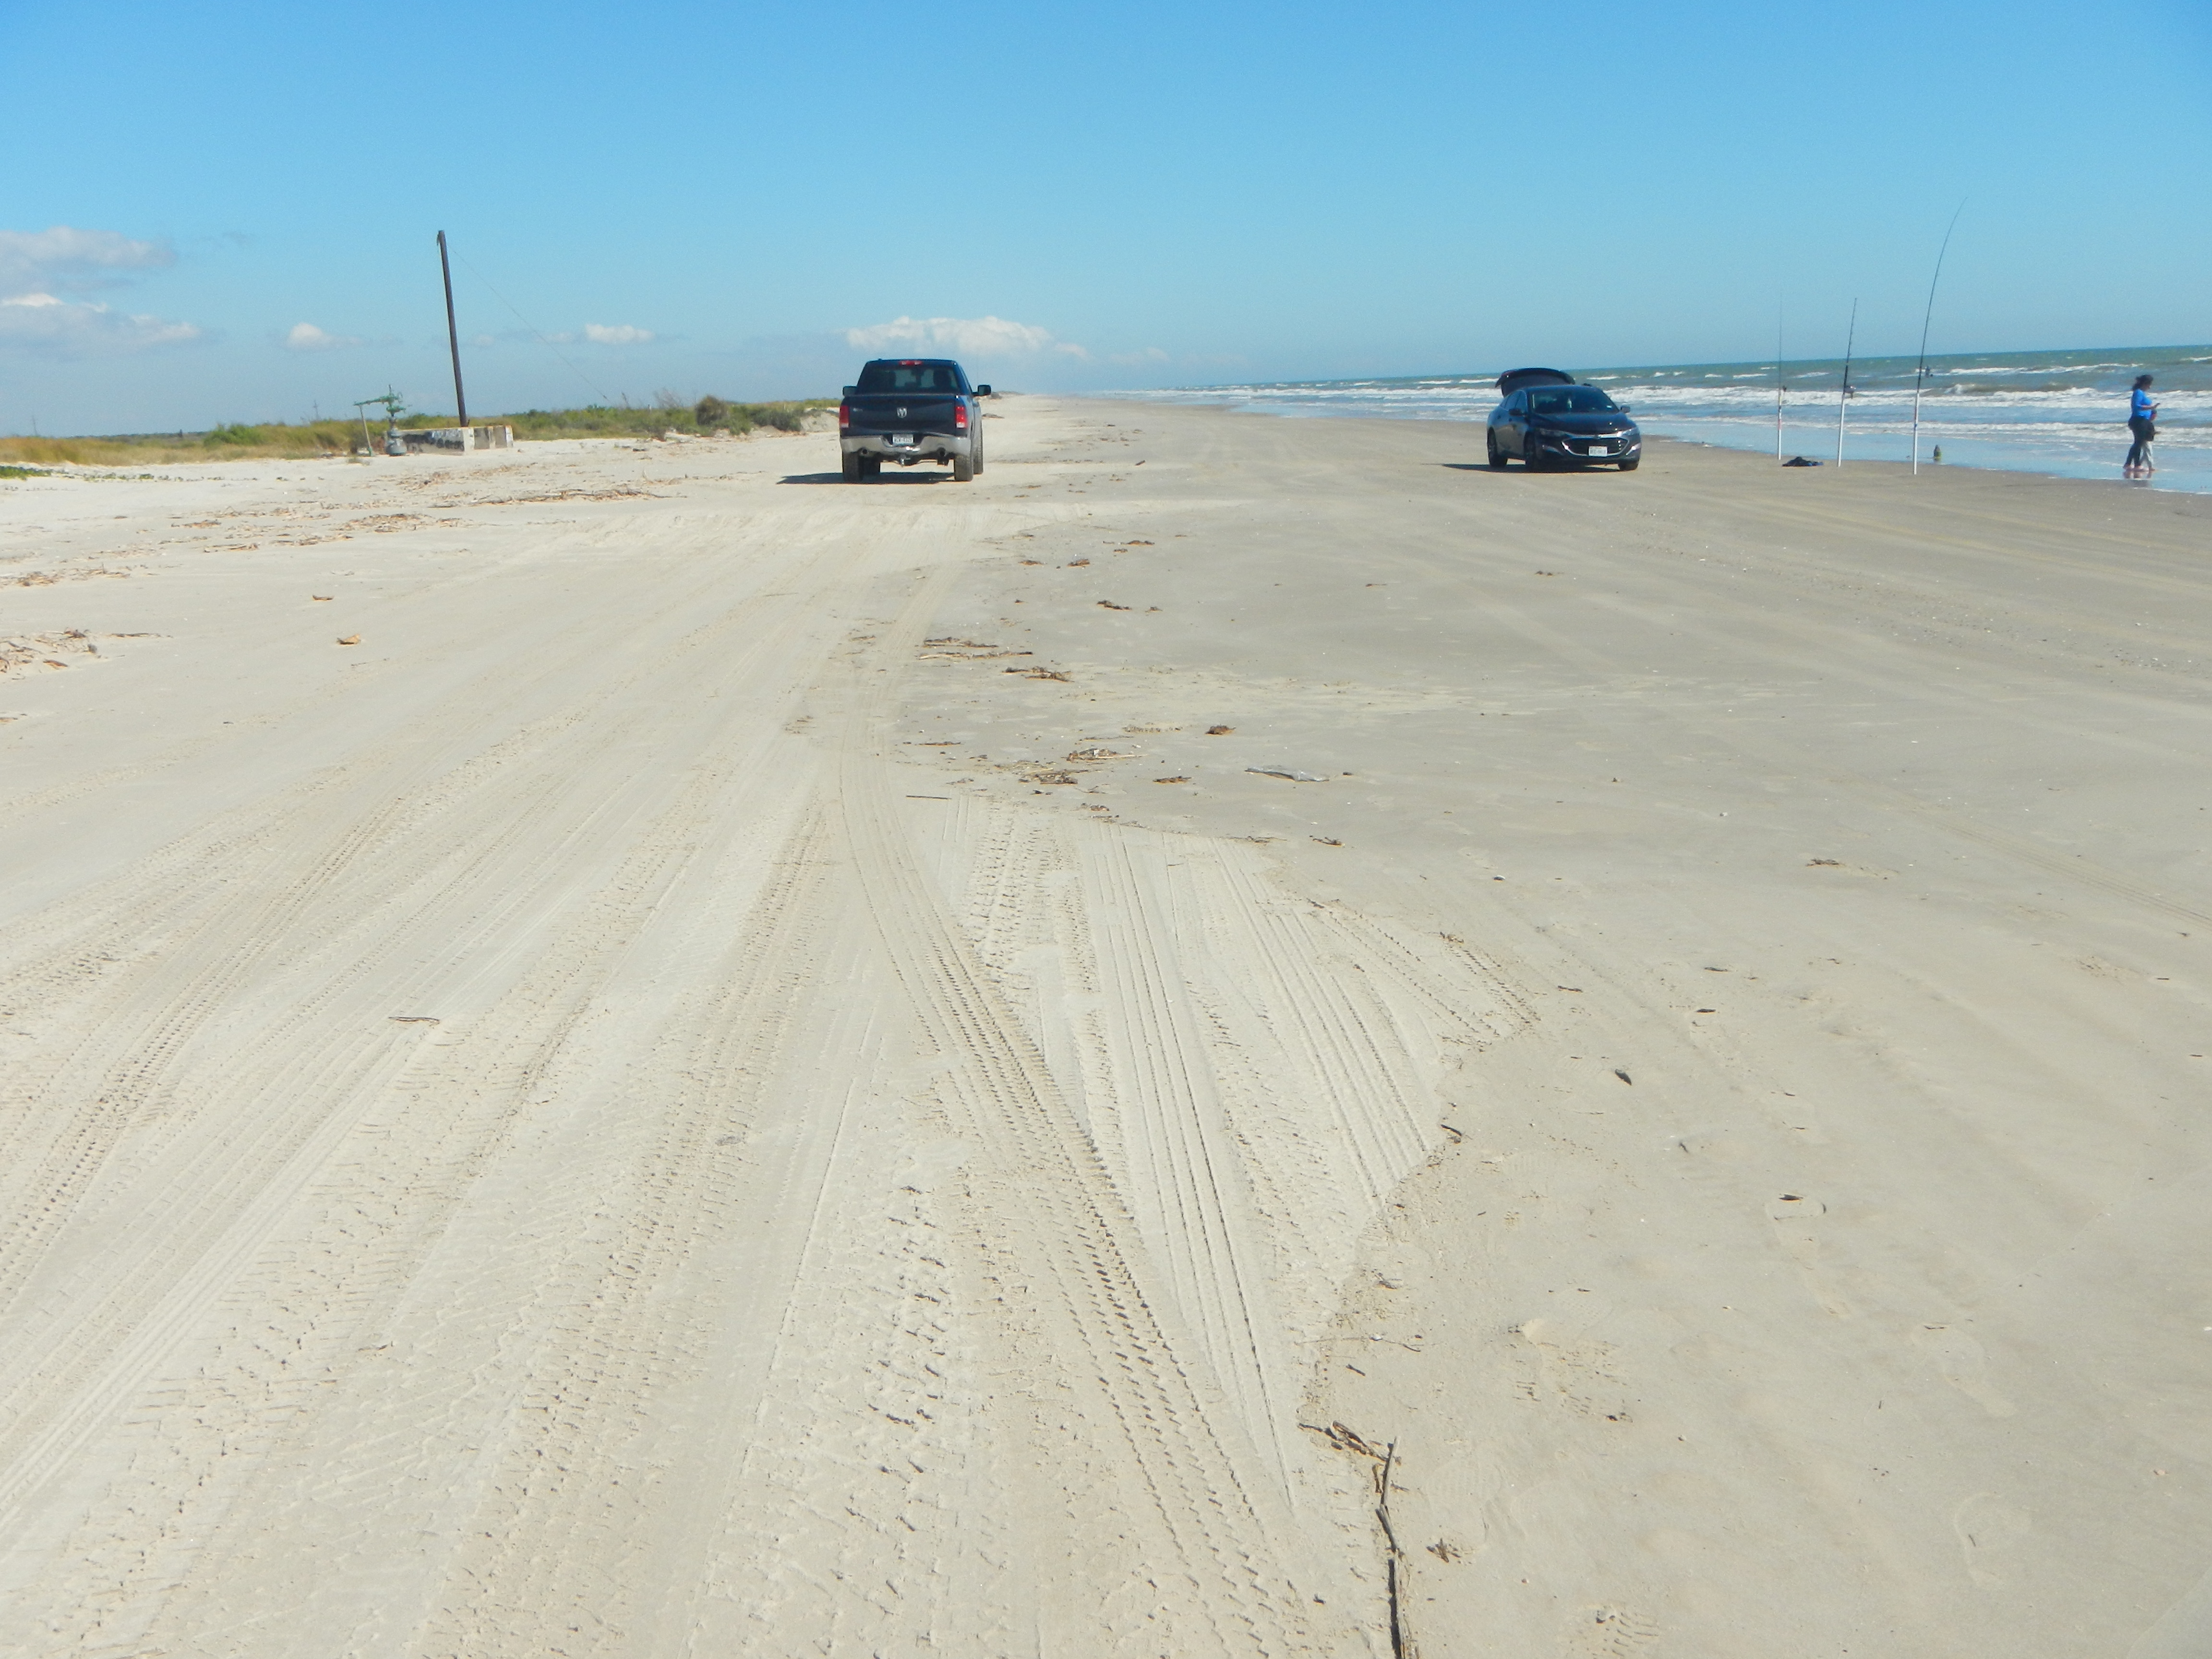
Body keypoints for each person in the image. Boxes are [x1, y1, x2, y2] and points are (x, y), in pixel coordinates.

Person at [2126, 374, 2158, 477]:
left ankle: (2128, 464)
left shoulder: (2142, 393)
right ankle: (2137, 465)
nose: (2150, 387)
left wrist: (2153, 412)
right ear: (2145, 384)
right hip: (2138, 421)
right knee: (2139, 443)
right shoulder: (2138, 393)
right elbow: (2137, 407)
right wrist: (2151, 407)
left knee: (2138, 442)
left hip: (2144, 421)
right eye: (2149, 384)